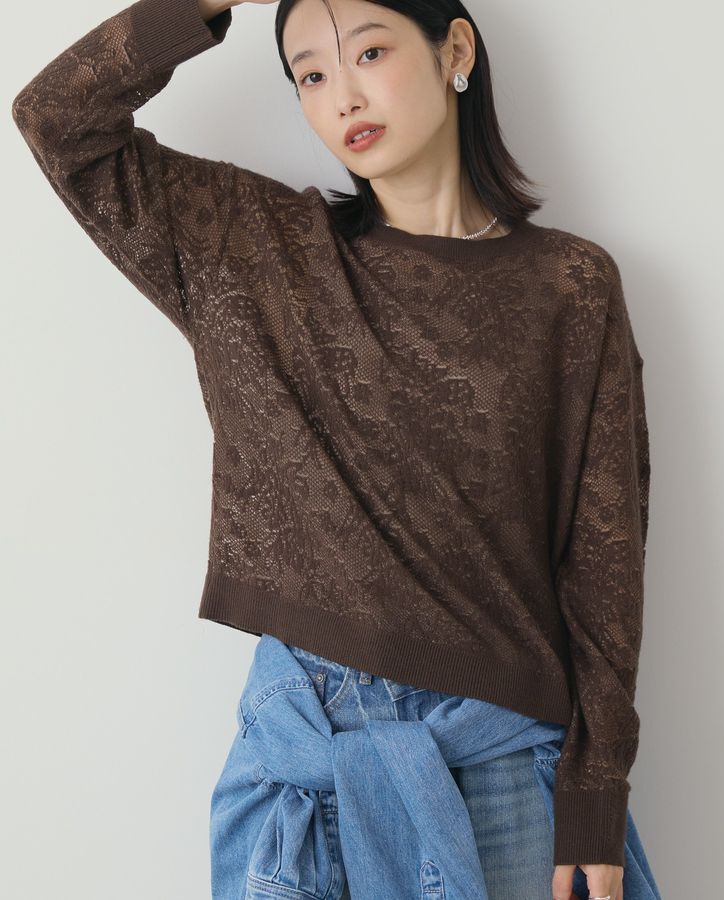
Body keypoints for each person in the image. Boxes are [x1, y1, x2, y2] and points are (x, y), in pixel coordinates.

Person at [11, 0, 662, 898]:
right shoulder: (250, 245)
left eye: (369, 53)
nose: (342, 95)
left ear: (455, 50)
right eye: (311, 74)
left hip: (500, 756)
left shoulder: (571, 284)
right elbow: (56, 119)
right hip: (300, 766)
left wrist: (596, 786)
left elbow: (604, 560)